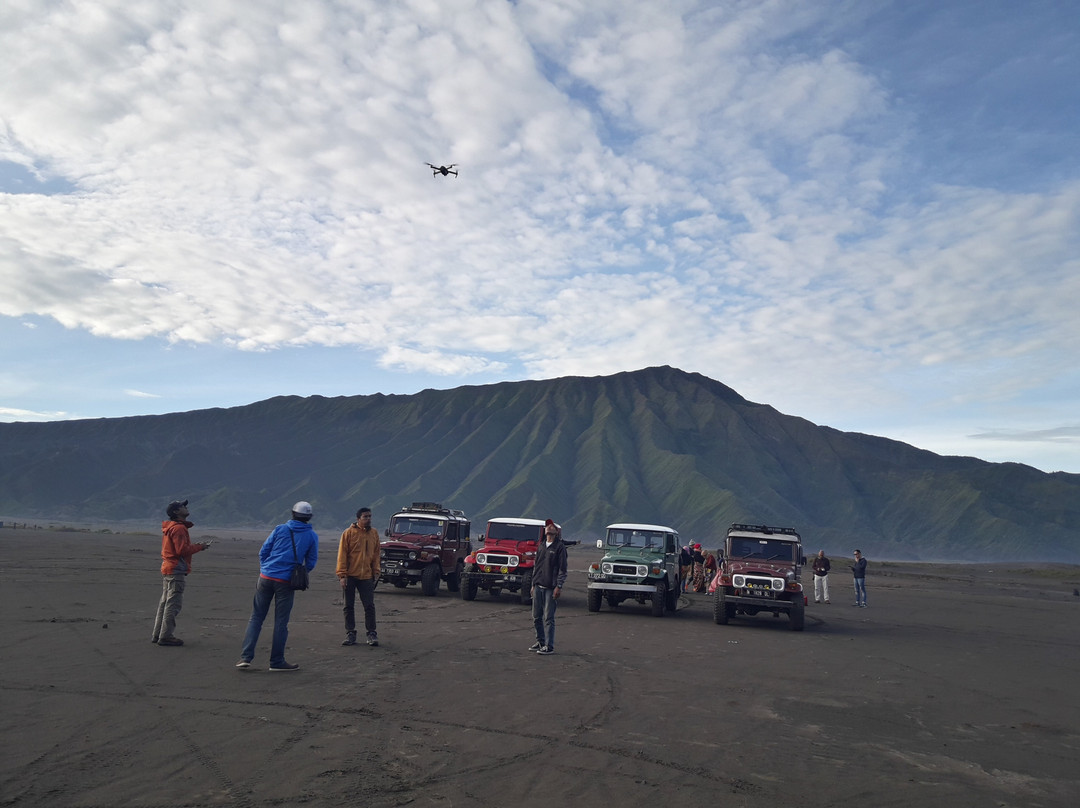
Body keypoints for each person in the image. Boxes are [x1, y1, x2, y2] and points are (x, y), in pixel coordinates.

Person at [237, 502, 319, 671]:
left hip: (266, 577)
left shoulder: (280, 529)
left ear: (292, 513)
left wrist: (266, 568)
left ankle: (246, 657)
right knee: (281, 623)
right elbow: (310, 562)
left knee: (256, 618)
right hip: (286, 582)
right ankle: (276, 662)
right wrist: (298, 574)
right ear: (309, 517)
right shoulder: (311, 535)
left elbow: (263, 551)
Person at [152, 499, 209, 647]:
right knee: (173, 604)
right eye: (182, 506)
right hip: (175, 569)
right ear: (176, 512)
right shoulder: (179, 529)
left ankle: (158, 634)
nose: (185, 508)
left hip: (168, 567)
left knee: (165, 602)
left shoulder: (172, 527)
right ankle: (166, 636)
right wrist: (199, 547)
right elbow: (182, 551)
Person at [336, 507, 380, 647]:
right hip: (350, 576)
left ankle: (371, 633)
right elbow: (342, 555)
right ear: (358, 519)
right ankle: (350, 633)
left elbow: (376, 554)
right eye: (365, 517)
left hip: (366, 575)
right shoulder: (348, 533)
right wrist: (342, 575)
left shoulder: (374, 533)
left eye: (370, 516)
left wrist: (376, 570)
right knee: (348, 606)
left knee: (369, 605)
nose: (368, 519)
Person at [529, 518, 567, 655]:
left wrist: (559, 586)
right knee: (536, 616)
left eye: (551, 526)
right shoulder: (542, 545)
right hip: (538, 585)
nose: (549, 528)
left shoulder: (559, 548)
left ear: (556, 532)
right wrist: (533, 584)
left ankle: (549, 646)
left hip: (550, 588)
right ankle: (540, 641)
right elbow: (536, 566)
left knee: (548, 618)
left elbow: (563, 569)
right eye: (547, 526)